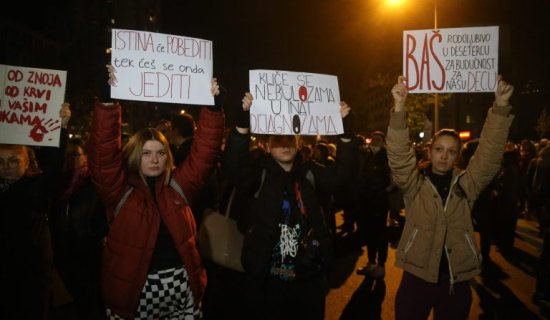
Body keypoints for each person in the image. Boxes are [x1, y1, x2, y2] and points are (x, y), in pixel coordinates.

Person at [88, 78, 225, 319]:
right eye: (146, 153)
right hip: (135, 295)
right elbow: (103, 156)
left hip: (182, 291)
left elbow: (204, 155)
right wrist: (107, 104)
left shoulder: (178, 187)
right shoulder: (120, 191)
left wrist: (214, 109)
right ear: (134, 155)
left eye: (160, 153)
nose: (154, 159)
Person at [222, 92, 358, 319]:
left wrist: (346, 133)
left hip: (309, 280)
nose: (285, 144)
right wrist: (242, 126)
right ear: (266, 146)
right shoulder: (259, 175)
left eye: (290, 138)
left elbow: (343, 175)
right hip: (267, 281)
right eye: (277, 139)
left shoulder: (310, 173)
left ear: (299, 143)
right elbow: (234, 167)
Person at [388, 75, 515, 320]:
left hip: (456, 282)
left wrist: (500, 107)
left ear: (457, 155)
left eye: (451, 151)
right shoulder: (415, 183)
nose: (444, 156)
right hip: (416, 279)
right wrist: (399, 108)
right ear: (430, 151)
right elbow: (399, 157)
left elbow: (488, 157)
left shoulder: (468, 183)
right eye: (439, 149)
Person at [0, 103, 71, 319]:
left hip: (30, 278)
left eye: (14, 160)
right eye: (1, 161)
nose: (7, 166)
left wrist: (61, 128)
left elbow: (54, 164)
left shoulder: (36, 186)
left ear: (26, 161)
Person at [50, 138, 108, 319]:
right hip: (63, 249)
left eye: (77, 154)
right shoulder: (60, 181)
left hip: (87, 251)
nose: (72, 158)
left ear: (85, 157)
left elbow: (103, 214)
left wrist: (92, 235)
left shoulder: (94, 182)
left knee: (87, 298)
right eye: (69, 154)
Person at [355, 130, 391, 279]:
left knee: (381, 234)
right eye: (374, 139)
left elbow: (394, 179)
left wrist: (384, 192)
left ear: (383, 142)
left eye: (378, 139)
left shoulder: (387, 157)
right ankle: (371, 262)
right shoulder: (367, 156)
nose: (375, 141)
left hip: (380, 203)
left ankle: (381, 265)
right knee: (369, 234)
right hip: (367, 202)